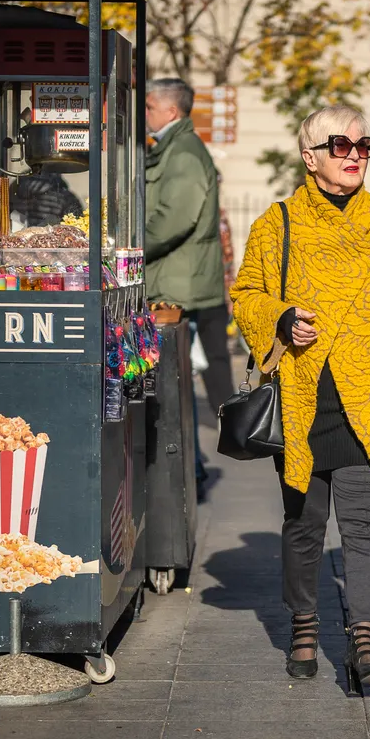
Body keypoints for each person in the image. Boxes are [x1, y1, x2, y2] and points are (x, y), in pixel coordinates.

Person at [231, 106, 370, 691]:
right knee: (304, 524)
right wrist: (283, 317)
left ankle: (364, 639)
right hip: (303, 394)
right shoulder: (278, 223)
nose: (353, 154)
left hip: (367, 394)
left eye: (363, 144)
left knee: (366, 524)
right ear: (310, 156)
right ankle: (304, 624)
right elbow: (246, 295)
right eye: (339, 144)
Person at [144, 78, 231, 500]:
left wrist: (131, 247)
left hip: (178, 287)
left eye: (149, 106)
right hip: (175, 281)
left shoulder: (183, 152)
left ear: (171, 112)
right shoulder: (174, 148)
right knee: (176, 386)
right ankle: (187, 471)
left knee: (176, 387)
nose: (145, 113)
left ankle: (187, 473)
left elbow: (173, 218)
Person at [10, 171, 82, 227]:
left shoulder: (17, 187)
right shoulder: (65, 194)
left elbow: (4, 212)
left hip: (21, 238)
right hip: (51, 241)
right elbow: (78, 225)